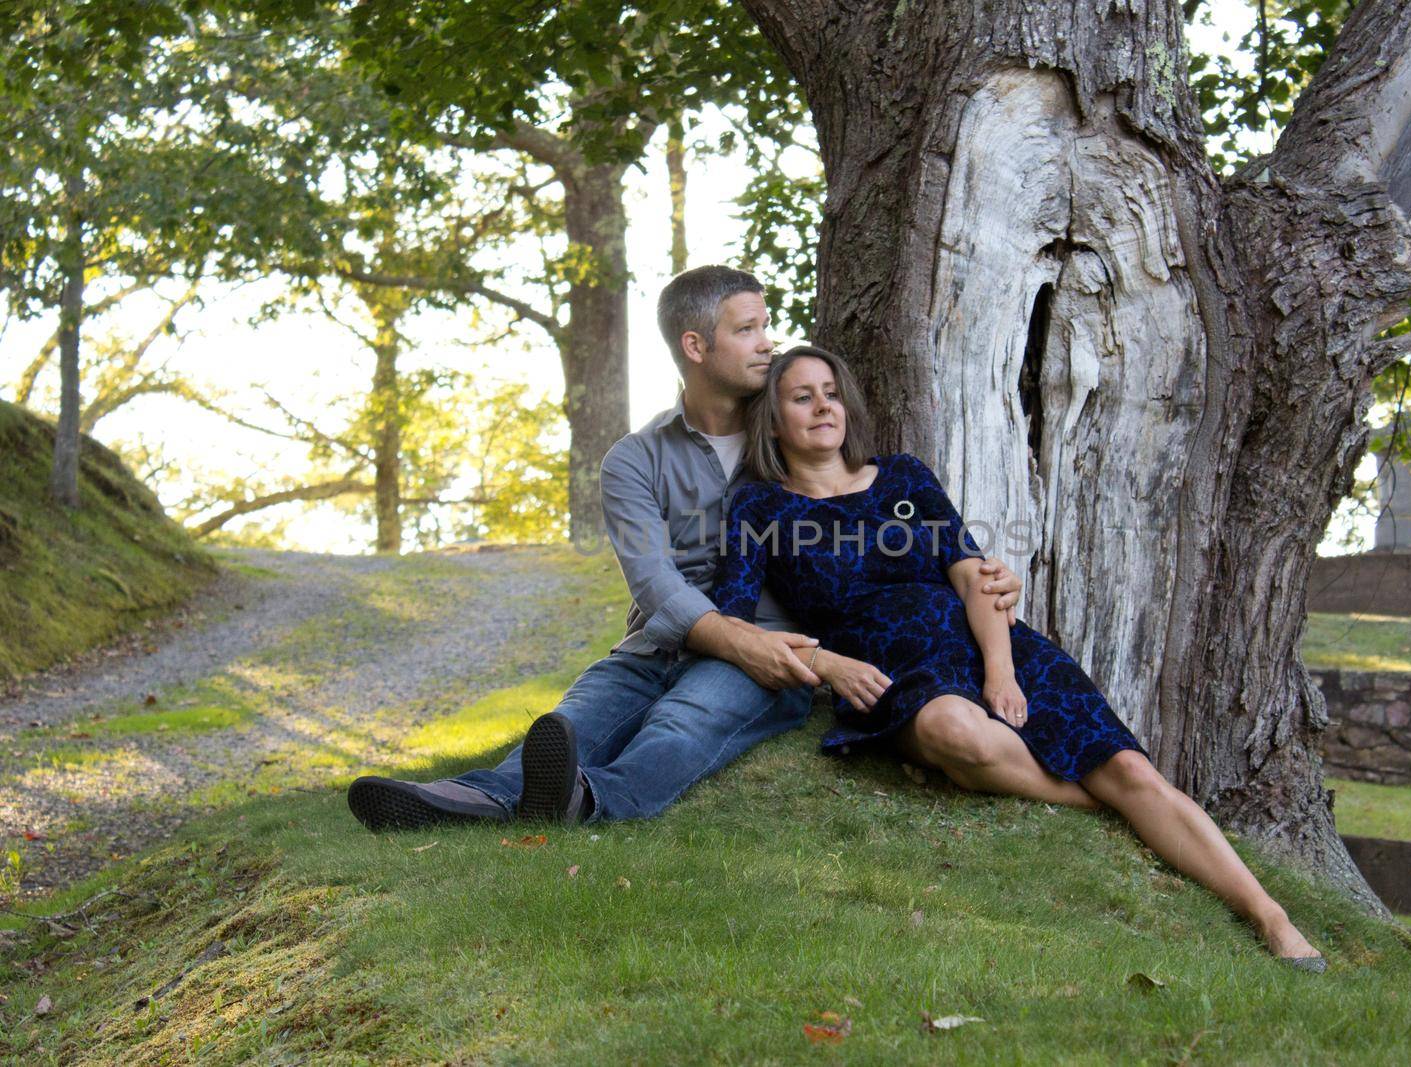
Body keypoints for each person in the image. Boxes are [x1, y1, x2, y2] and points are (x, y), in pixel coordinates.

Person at [710, 344, 1327, 969]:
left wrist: (1001, 672)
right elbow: (734, 620)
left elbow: (975, 577)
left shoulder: (904, 477)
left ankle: (1269, 916)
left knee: (1134, 773)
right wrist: (826, 664)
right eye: (802, 397)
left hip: (993, 645)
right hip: (897, 672)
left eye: (831, 392)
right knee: (959, 733)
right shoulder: (762, 508)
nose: (823, 406)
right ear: (774, 420)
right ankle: (1105, 807)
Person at [346, 266, 1026, 831]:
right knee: (570, 720)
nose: (767, 342)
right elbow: (657, 585)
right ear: (696, 346)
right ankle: (466, 798)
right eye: (748, 329)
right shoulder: (634, 460)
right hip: (659, 643)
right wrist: (731, 638)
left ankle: (592, 799)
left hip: (774, 649)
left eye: (767, 326)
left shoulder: (797, 437)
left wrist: (979, 579)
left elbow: (887, 529)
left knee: (683, 722)